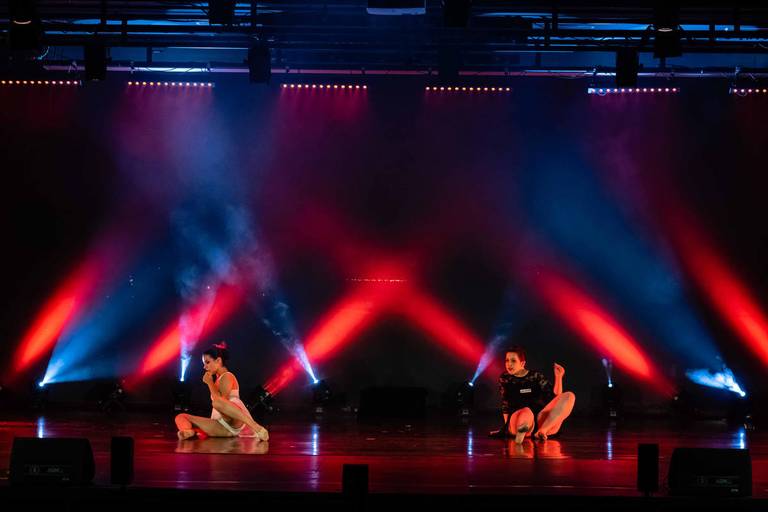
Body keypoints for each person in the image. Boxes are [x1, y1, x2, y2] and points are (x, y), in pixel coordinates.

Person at [175, 342, 269, 441]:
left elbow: (220, 401)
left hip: (235, 421)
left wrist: (209, 382)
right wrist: (211, 382)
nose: (204, 367)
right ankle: (188, 431)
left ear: (218, 361)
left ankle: (256, 427)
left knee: (217, 402)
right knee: (181, 416)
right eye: (204, 364)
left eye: (207, 362)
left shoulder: (227, 376)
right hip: (222, 425)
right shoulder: (217, 379)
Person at [489, 345, 575, 443]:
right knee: (526, 412)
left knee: (569, 395)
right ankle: (522, 430)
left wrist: (558, 377)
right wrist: (505, 429)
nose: (509, 364)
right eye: (507, 360)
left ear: (522, 363)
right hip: (517, 419)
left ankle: (542, 431)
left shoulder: (536, 376)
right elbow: (505, 404)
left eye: (513, 361)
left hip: (539, 420)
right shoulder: (505, 378)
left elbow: (556, 397)